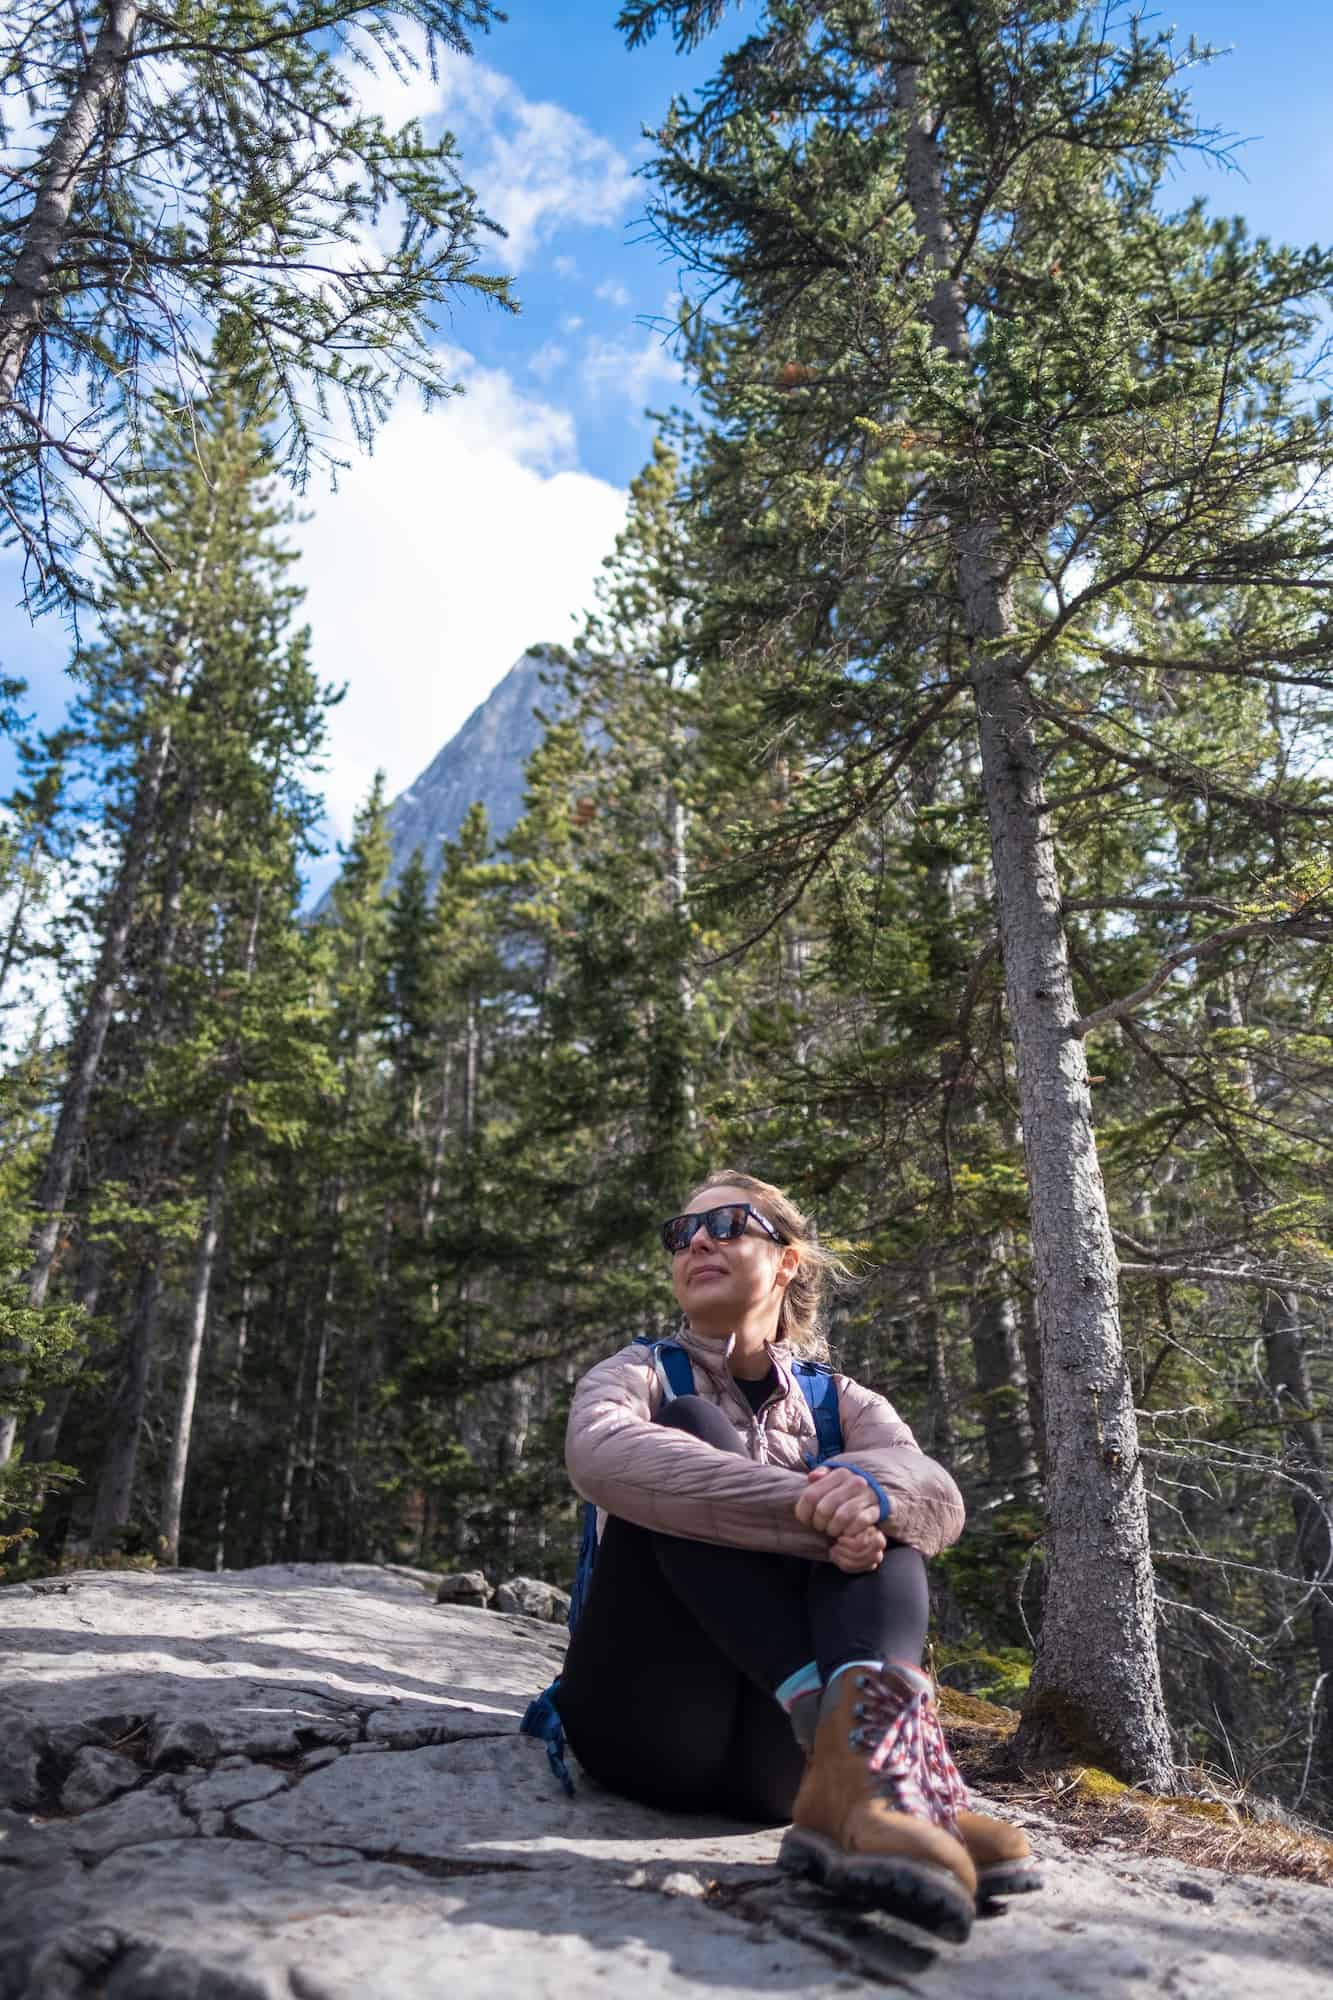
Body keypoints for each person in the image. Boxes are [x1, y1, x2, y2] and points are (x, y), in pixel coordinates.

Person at [556, 1169, 1039, 1941]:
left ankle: (863, 1787)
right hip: (643, 1725)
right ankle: (865, 1776)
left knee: (882, 1503)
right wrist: (819, 1508)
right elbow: (602, 1456)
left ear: (787, 1261)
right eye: (681, 1234)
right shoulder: (637, 1373)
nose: (698, 1242)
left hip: (777, 1768)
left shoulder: (843, 1400)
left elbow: (935, 1496)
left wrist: (867, 1499)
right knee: (697, 1431)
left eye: (727, 1225)